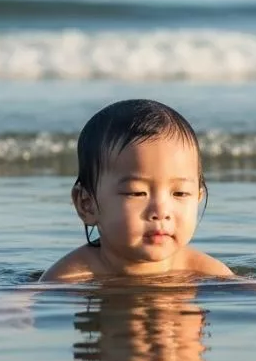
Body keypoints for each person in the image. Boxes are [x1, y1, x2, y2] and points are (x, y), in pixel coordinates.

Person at [40, 99, 233, 282]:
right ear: (87, 205)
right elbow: (26, 300)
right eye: (137, 193)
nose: (161, 212)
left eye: (180, 193)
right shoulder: (72, 275)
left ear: (198, 197)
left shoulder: (203, 270)